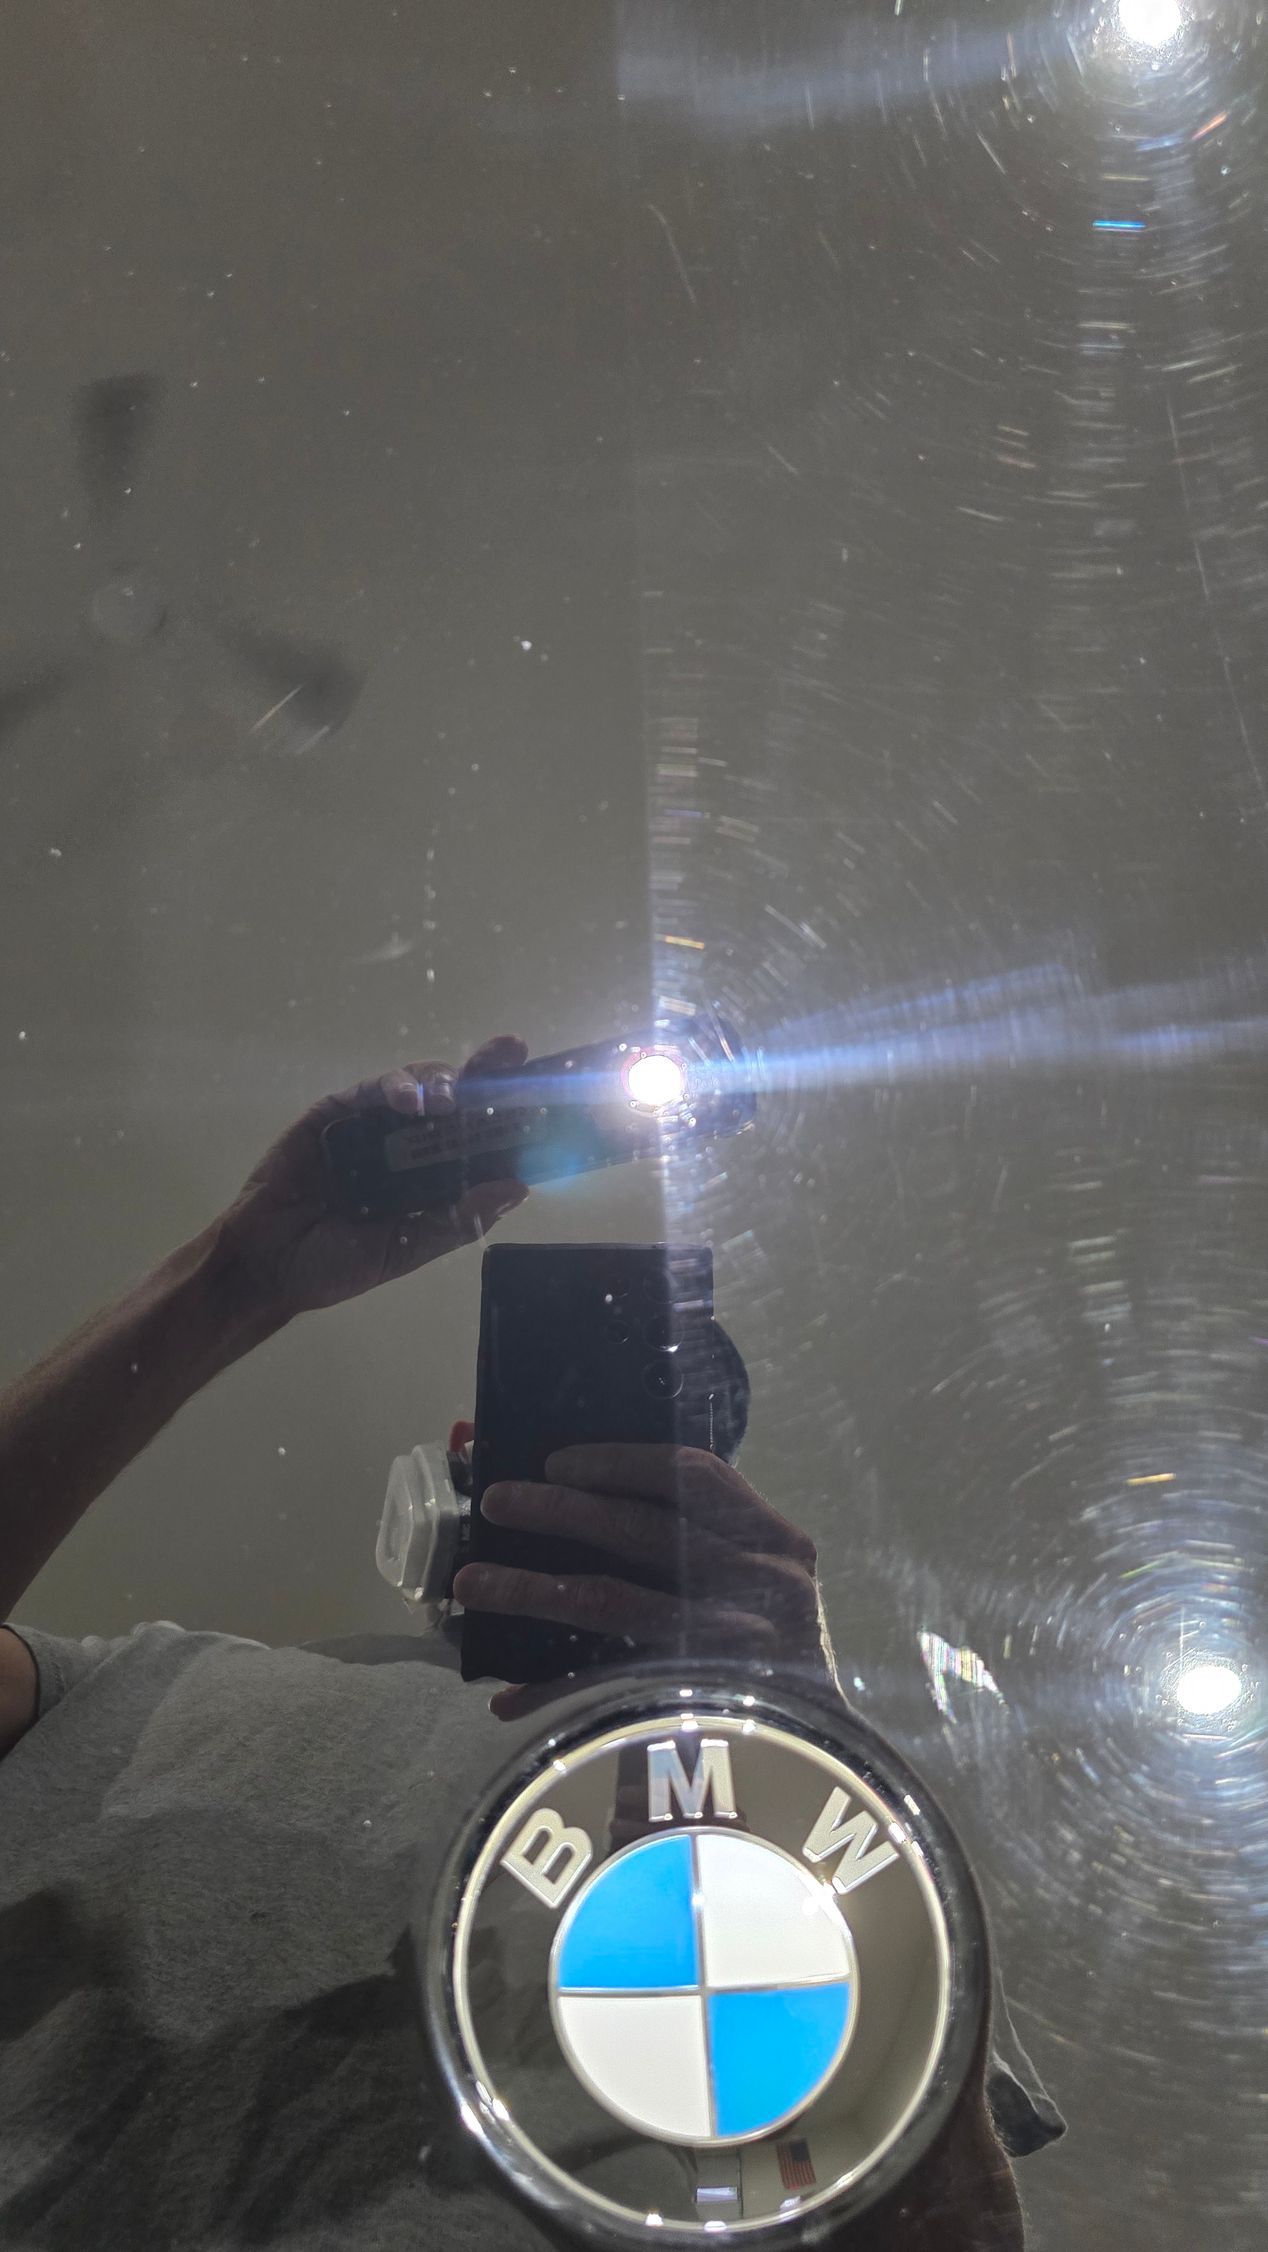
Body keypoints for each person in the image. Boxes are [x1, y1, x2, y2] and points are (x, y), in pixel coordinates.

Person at [0, 1036, 1059, 2250]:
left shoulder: (829, 1850)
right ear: (471, 1449)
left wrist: (807, 1747)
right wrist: (230, 1277)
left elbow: (949, 2234)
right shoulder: (150, 1688)